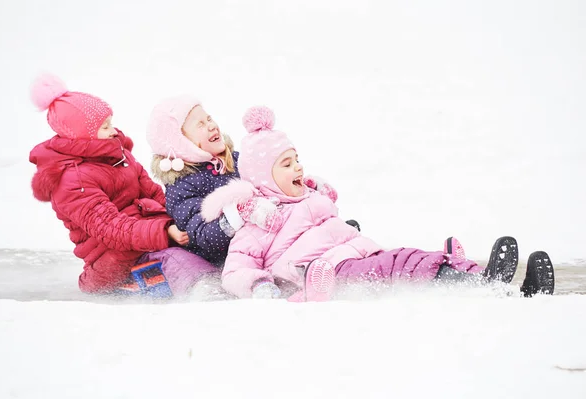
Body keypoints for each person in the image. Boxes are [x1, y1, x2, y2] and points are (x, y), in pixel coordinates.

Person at [201, 106, 555, 301]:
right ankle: (483, 286)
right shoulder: (258, 220)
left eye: (297, 158)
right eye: (286, 163)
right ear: (263, 175)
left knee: (404, 257)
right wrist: (261, 286)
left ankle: (491, 281)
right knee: (397, 267)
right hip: (324, 276)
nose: (299, 167)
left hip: (360, 256)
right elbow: (235, 271)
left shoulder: (311, 197)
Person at [28, 74, 217, 296]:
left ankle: (233, 271)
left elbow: (155, 194)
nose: (113, 131)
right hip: (113, 259)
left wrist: (185, 219)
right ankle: (207, 288)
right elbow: (111, 228)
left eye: (111, 123)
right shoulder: (72, 181)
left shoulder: (119, 156)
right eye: (104, 127)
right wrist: (164, 231)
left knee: (198, 242)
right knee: (176, 259)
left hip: (145, 237)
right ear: (81, 135)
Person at [146, 96, 352, 267]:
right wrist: (239, 214)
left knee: (303, 222)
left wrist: (297, 185)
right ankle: (314, 266)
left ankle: (336, 242)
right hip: (234, 256)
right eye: (200, 124)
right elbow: (202, 236)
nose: (211, 126)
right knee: (292, 245)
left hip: (268, 236)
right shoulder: (181, 187)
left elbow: (270, 185)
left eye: (209, 119)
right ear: (180, 143)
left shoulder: (236, 160)